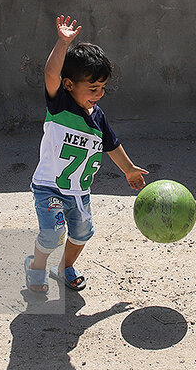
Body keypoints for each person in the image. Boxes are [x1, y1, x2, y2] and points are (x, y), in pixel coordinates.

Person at [25, 15, 148, 292]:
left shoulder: (98, 117)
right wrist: (62, 42)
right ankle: (36, 266)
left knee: (81, 234)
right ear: (69, 85)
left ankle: (65, 267)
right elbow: (50, 74)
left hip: (80, 191)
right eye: (92, 88)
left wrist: (128, 169)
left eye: (102, 88)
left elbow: (111, 145)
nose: (99, 93)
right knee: (53, 233)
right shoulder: (61, 105)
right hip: (50, 187)